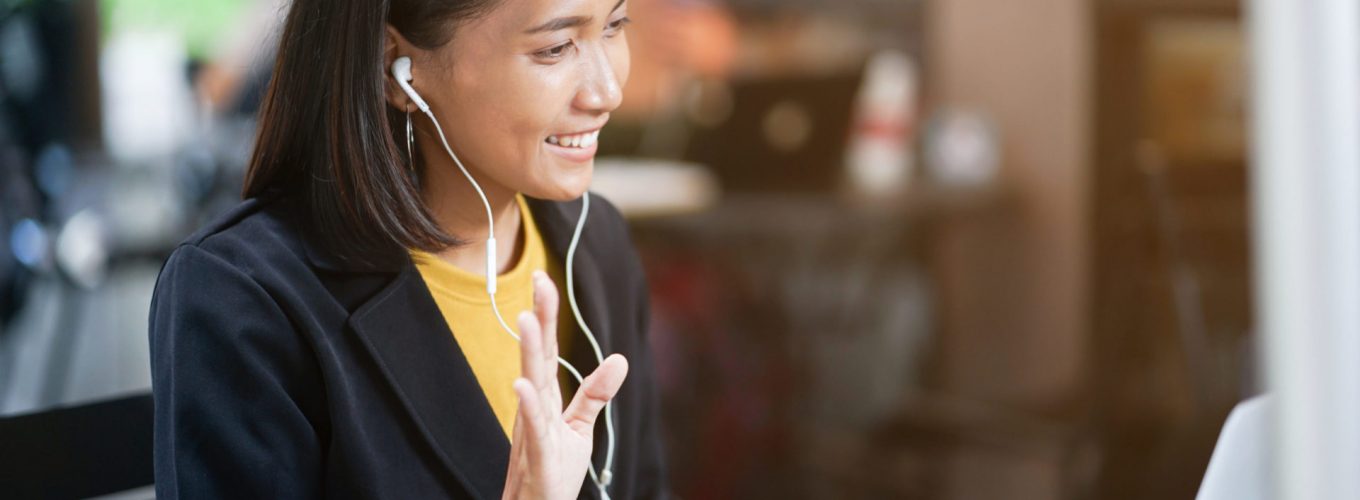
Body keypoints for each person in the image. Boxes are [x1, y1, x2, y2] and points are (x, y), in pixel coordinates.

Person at [147, 0, 668, 498]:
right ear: (394, 63)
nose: (606, 92)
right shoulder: (245, 300)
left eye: (614, 25)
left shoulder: (596, 241)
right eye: (554, 48)